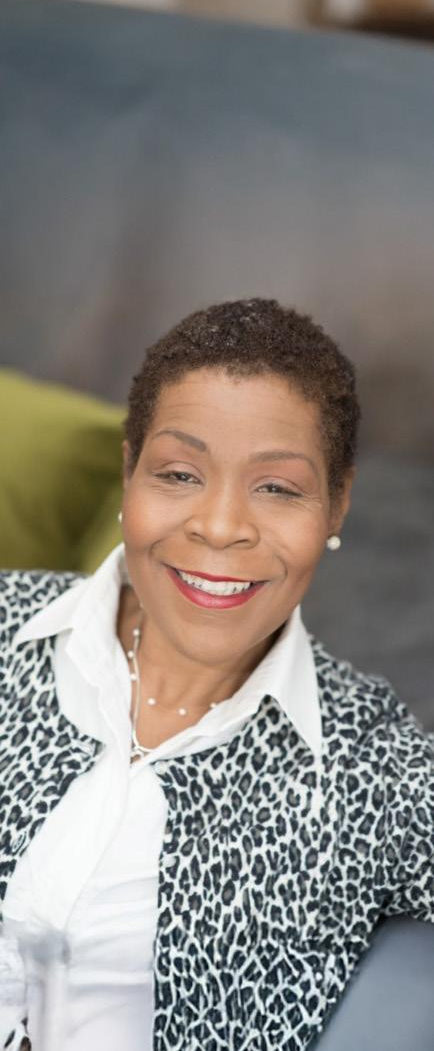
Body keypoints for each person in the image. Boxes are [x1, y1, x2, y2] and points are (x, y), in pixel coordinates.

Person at [0, 298, 432, 1051]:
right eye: (178, 474)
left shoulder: (379, 768)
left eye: (278, 488)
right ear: (129, 471)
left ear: (337, 505)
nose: (222, 526)